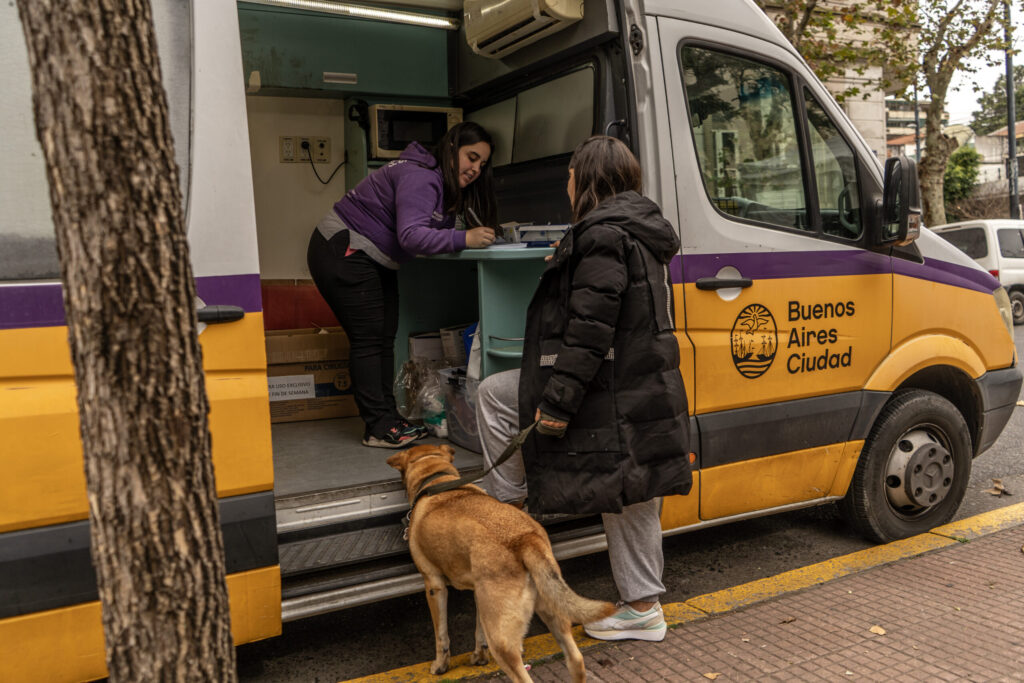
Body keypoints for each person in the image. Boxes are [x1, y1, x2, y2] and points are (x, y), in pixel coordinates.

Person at [475, 135, 691, 642]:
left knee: (493, 395)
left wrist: (556, 403)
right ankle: (643, 607)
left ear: (589, 179)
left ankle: (510, 518)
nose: (566, 183)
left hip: (610, 389)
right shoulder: (637, 230)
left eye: (571, 174)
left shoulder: (601, 236)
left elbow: (588, 332)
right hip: (643, 386)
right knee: (633, 486)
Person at [308, 122, 498, 448]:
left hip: (370, 255)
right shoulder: (421, 176)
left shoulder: (435, 178)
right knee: (369, 339)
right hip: (345, 248)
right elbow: (410, 235)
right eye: (471, 157)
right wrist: (463, 237)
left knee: (383, 337)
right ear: (452, 148)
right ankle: (377, 428)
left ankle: (388, 419)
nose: (476, 169)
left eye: (482, 164)